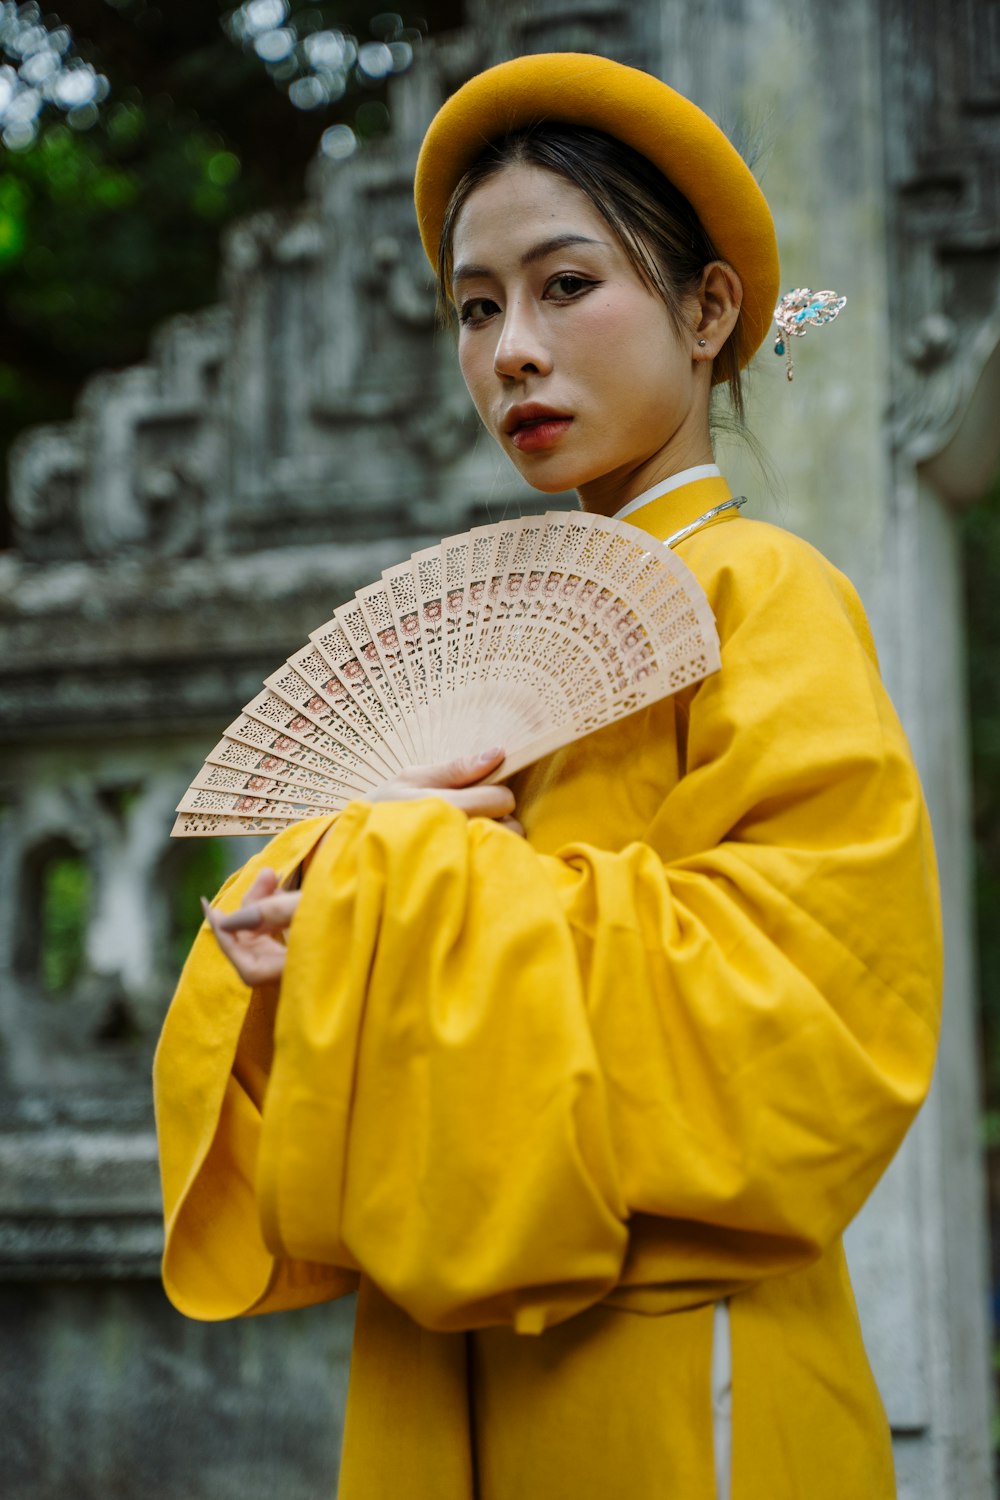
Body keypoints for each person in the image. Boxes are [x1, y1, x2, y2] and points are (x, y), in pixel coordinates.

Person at [154, 52, 942, 1500]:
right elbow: (304, 1120)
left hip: (668, 1360)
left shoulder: (765, 597)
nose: (511, 348)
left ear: (708, 311)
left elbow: (816, 1019)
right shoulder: (478, 647)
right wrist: (300, 960)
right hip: (436, 1351)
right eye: (475, 306)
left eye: (565, 286)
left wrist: (418, 892)